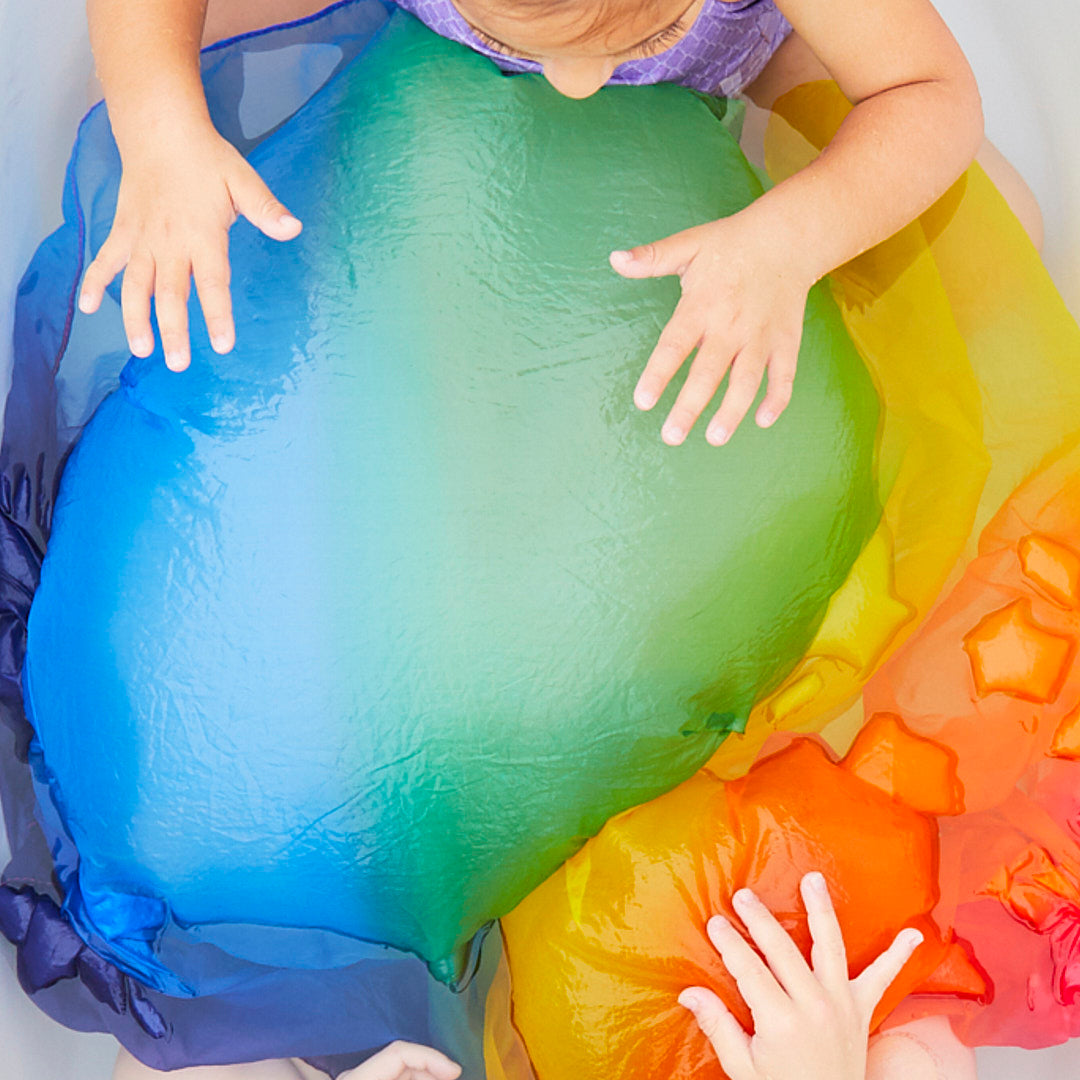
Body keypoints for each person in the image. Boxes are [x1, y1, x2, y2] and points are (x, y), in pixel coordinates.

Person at [77, 0, 1041, 451]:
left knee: (1001, 224)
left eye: (639, 26)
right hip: (421, 32)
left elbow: (932, 92)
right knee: (154, 54)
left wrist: (795, 235)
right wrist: (161, 130)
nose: (576, 88)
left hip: (747, 53)